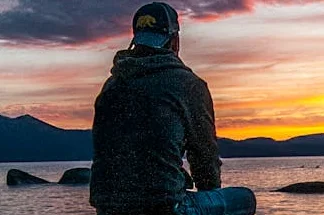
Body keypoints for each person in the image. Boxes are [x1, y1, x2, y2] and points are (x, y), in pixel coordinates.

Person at [90, 2, 255, 215]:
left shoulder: (111, 86)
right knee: (244, 199)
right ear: (174, 40)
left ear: (136, 40)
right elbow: (205, 158)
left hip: (106, 208)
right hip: (164, 208)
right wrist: (209, 193)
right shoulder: (187, 84)